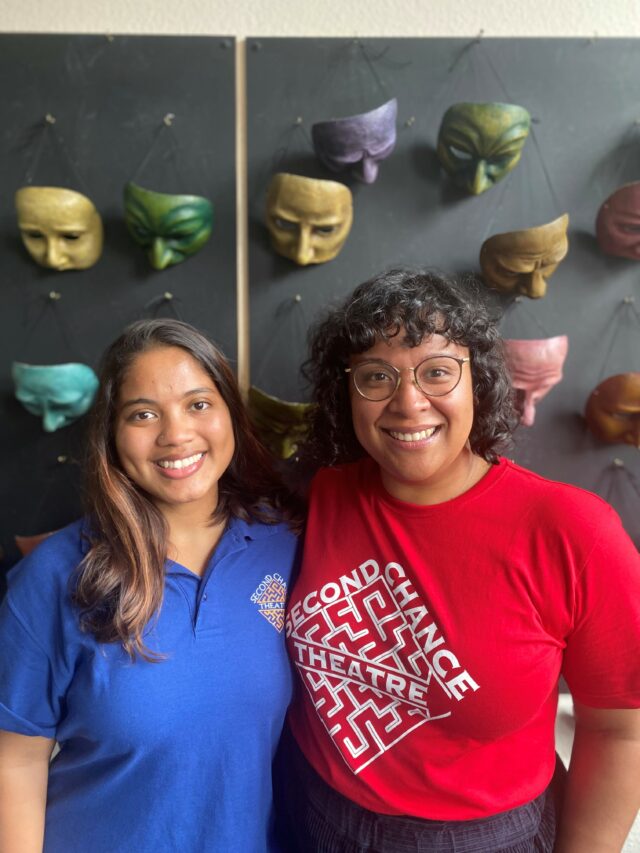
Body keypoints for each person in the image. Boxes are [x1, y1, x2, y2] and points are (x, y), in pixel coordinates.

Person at [279, 269, 640, 853]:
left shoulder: (574, 532)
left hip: (480, 839)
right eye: (377, 376)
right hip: (314, 811)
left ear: (481, 382)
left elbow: (621, 731)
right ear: (346, 394)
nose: (408, 401)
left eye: (438, 372)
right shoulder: (319, 495)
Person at [0, 319, 302, 853]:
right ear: (111, 436)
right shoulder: (54, 575)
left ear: (232, 413)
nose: (176, 434)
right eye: (143, 414)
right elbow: (16, 761)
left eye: (198, 404)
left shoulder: (286, 544)